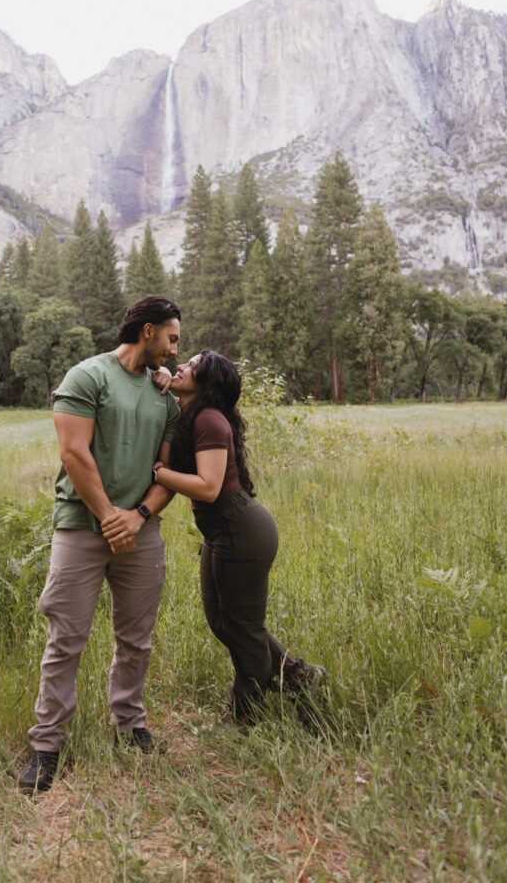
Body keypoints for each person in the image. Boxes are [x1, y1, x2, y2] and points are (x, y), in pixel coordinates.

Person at [18, 297, 181, 794]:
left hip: (140, 532)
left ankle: (129, 726)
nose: (175, 350)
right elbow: (73, 451)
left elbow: (167, 473)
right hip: (80, 529)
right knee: (65, 639)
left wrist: (139, 516)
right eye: (171, 338)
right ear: (148, 331)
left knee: (137, 639)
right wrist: (111, 517)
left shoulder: (166, 399)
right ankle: (47, 745)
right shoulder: (86, 377)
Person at [152, 350, 325, 729]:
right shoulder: (193, 413)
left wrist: (160, 474)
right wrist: (161, 376)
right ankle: (299, 675)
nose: (182, 366)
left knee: (243, 628)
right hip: (222, 531)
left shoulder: (210, 420)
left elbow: (209, 487)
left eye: (192, 366)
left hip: (240, 530)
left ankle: (247, 715)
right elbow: (159, 382)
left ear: (207, 382)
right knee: (222, 621)